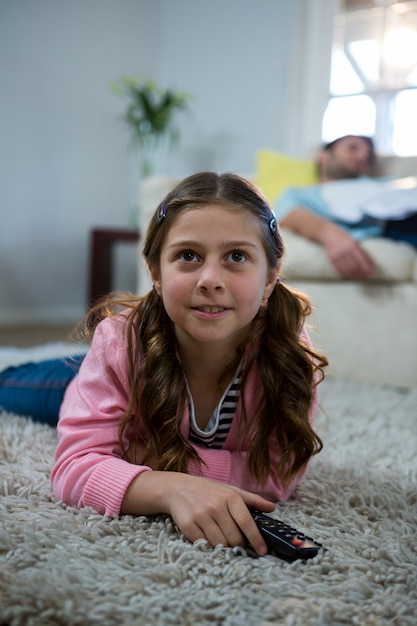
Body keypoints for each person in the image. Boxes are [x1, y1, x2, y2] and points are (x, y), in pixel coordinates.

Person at [0, 172, 327, 556]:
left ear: (270, 279)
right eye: (188, 256)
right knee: (10, 384)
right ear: (155, 273)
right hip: (87, 384)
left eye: (236, 257)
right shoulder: (119, 343)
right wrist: (171, 488)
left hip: (123, 394)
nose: (210, 279)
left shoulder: (289, 354)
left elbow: (277, 475)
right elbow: (74, 467)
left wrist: (158, 461)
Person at [274, 134, 417, 279]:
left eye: (368, 156)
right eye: (353, 148)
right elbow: (291, 215)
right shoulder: (301, 193)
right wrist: (329, 233)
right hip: (396, 227)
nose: (362, 156)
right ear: (324, 156)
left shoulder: (385, 183)